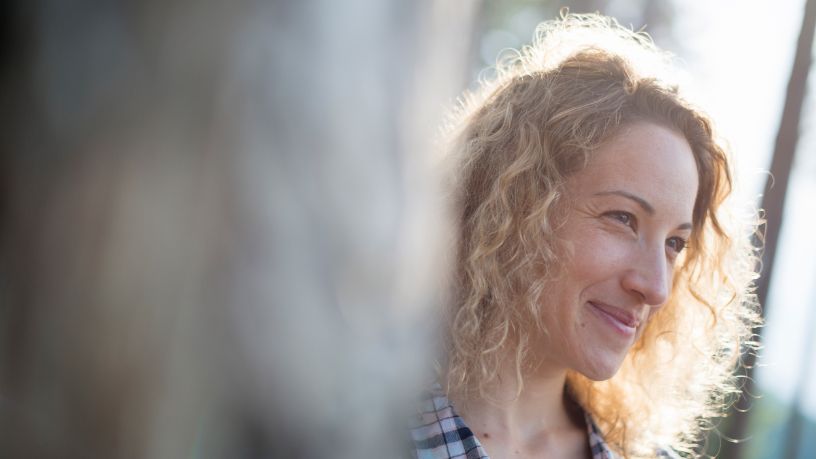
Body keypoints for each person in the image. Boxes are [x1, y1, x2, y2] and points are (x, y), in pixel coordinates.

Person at [410, 13, 761, 459]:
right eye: (623, 218)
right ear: (517, 203)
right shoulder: (345, 416)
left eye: (675, 243)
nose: (655, 288)